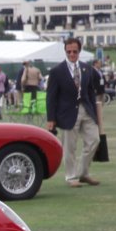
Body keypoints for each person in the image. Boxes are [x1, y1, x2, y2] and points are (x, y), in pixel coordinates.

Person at [45, 37, 104, 188]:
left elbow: (90, 92)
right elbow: (51, 97)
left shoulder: (87, 68)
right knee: (69, 147)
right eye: (69, 51)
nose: (72, 54)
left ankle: (83, 173)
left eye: (75, 51)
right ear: (65, 51)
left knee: (94, 140)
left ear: (79, 51)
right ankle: (71, 177)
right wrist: (51, 118)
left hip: (86, 110)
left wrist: (95, 114)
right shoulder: (57, 71)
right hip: (67, 114)